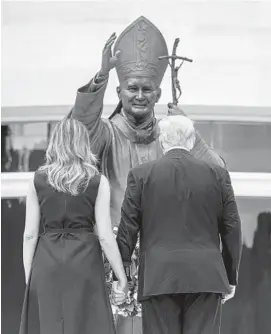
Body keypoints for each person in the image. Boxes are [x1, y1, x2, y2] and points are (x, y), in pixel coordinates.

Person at [71, 16, 226, 319]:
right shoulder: (105, 134)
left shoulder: (174, 140)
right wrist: (102, 75)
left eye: (147, 89)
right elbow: (80, 128)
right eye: (132, 88)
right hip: (112, 264)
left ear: (158, 94)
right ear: (119, 93)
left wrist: (189, 134)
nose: (139, 95)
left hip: (164, 271)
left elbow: (219, 176)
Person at [113, 115, 242, 334]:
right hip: (206, 277)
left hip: (158, 276)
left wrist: (120, 276)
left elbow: (128, 229)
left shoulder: (141, 175)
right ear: (191, 141)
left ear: (162, 141)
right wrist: (230, 276)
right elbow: (232, 228)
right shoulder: (218, 175)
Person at [19, 118, 128, 334]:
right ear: (83, 144)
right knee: (86, 324)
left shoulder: (37, 180)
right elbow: (105, 235)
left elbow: (29, 235)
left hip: (46, 261)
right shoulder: (98, 181)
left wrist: (30, 275)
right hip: (85, 260)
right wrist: (121, 277)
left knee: (49, 324)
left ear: (55, 142)